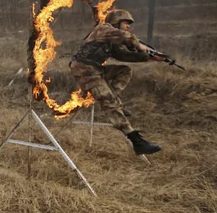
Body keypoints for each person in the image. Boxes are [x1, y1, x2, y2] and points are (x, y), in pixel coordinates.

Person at [69, 9, 165, 155]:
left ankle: (114, 101)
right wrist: (140, 46)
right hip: (84, 71)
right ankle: (137, 142)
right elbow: (125, 36)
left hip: (96, 70)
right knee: (109, 102)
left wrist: (149, 57)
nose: (128, 26)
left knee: (124, 70)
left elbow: (123, 55)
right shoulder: (103, 29)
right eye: (126, 22)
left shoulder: (110, 41)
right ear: (116, 22)